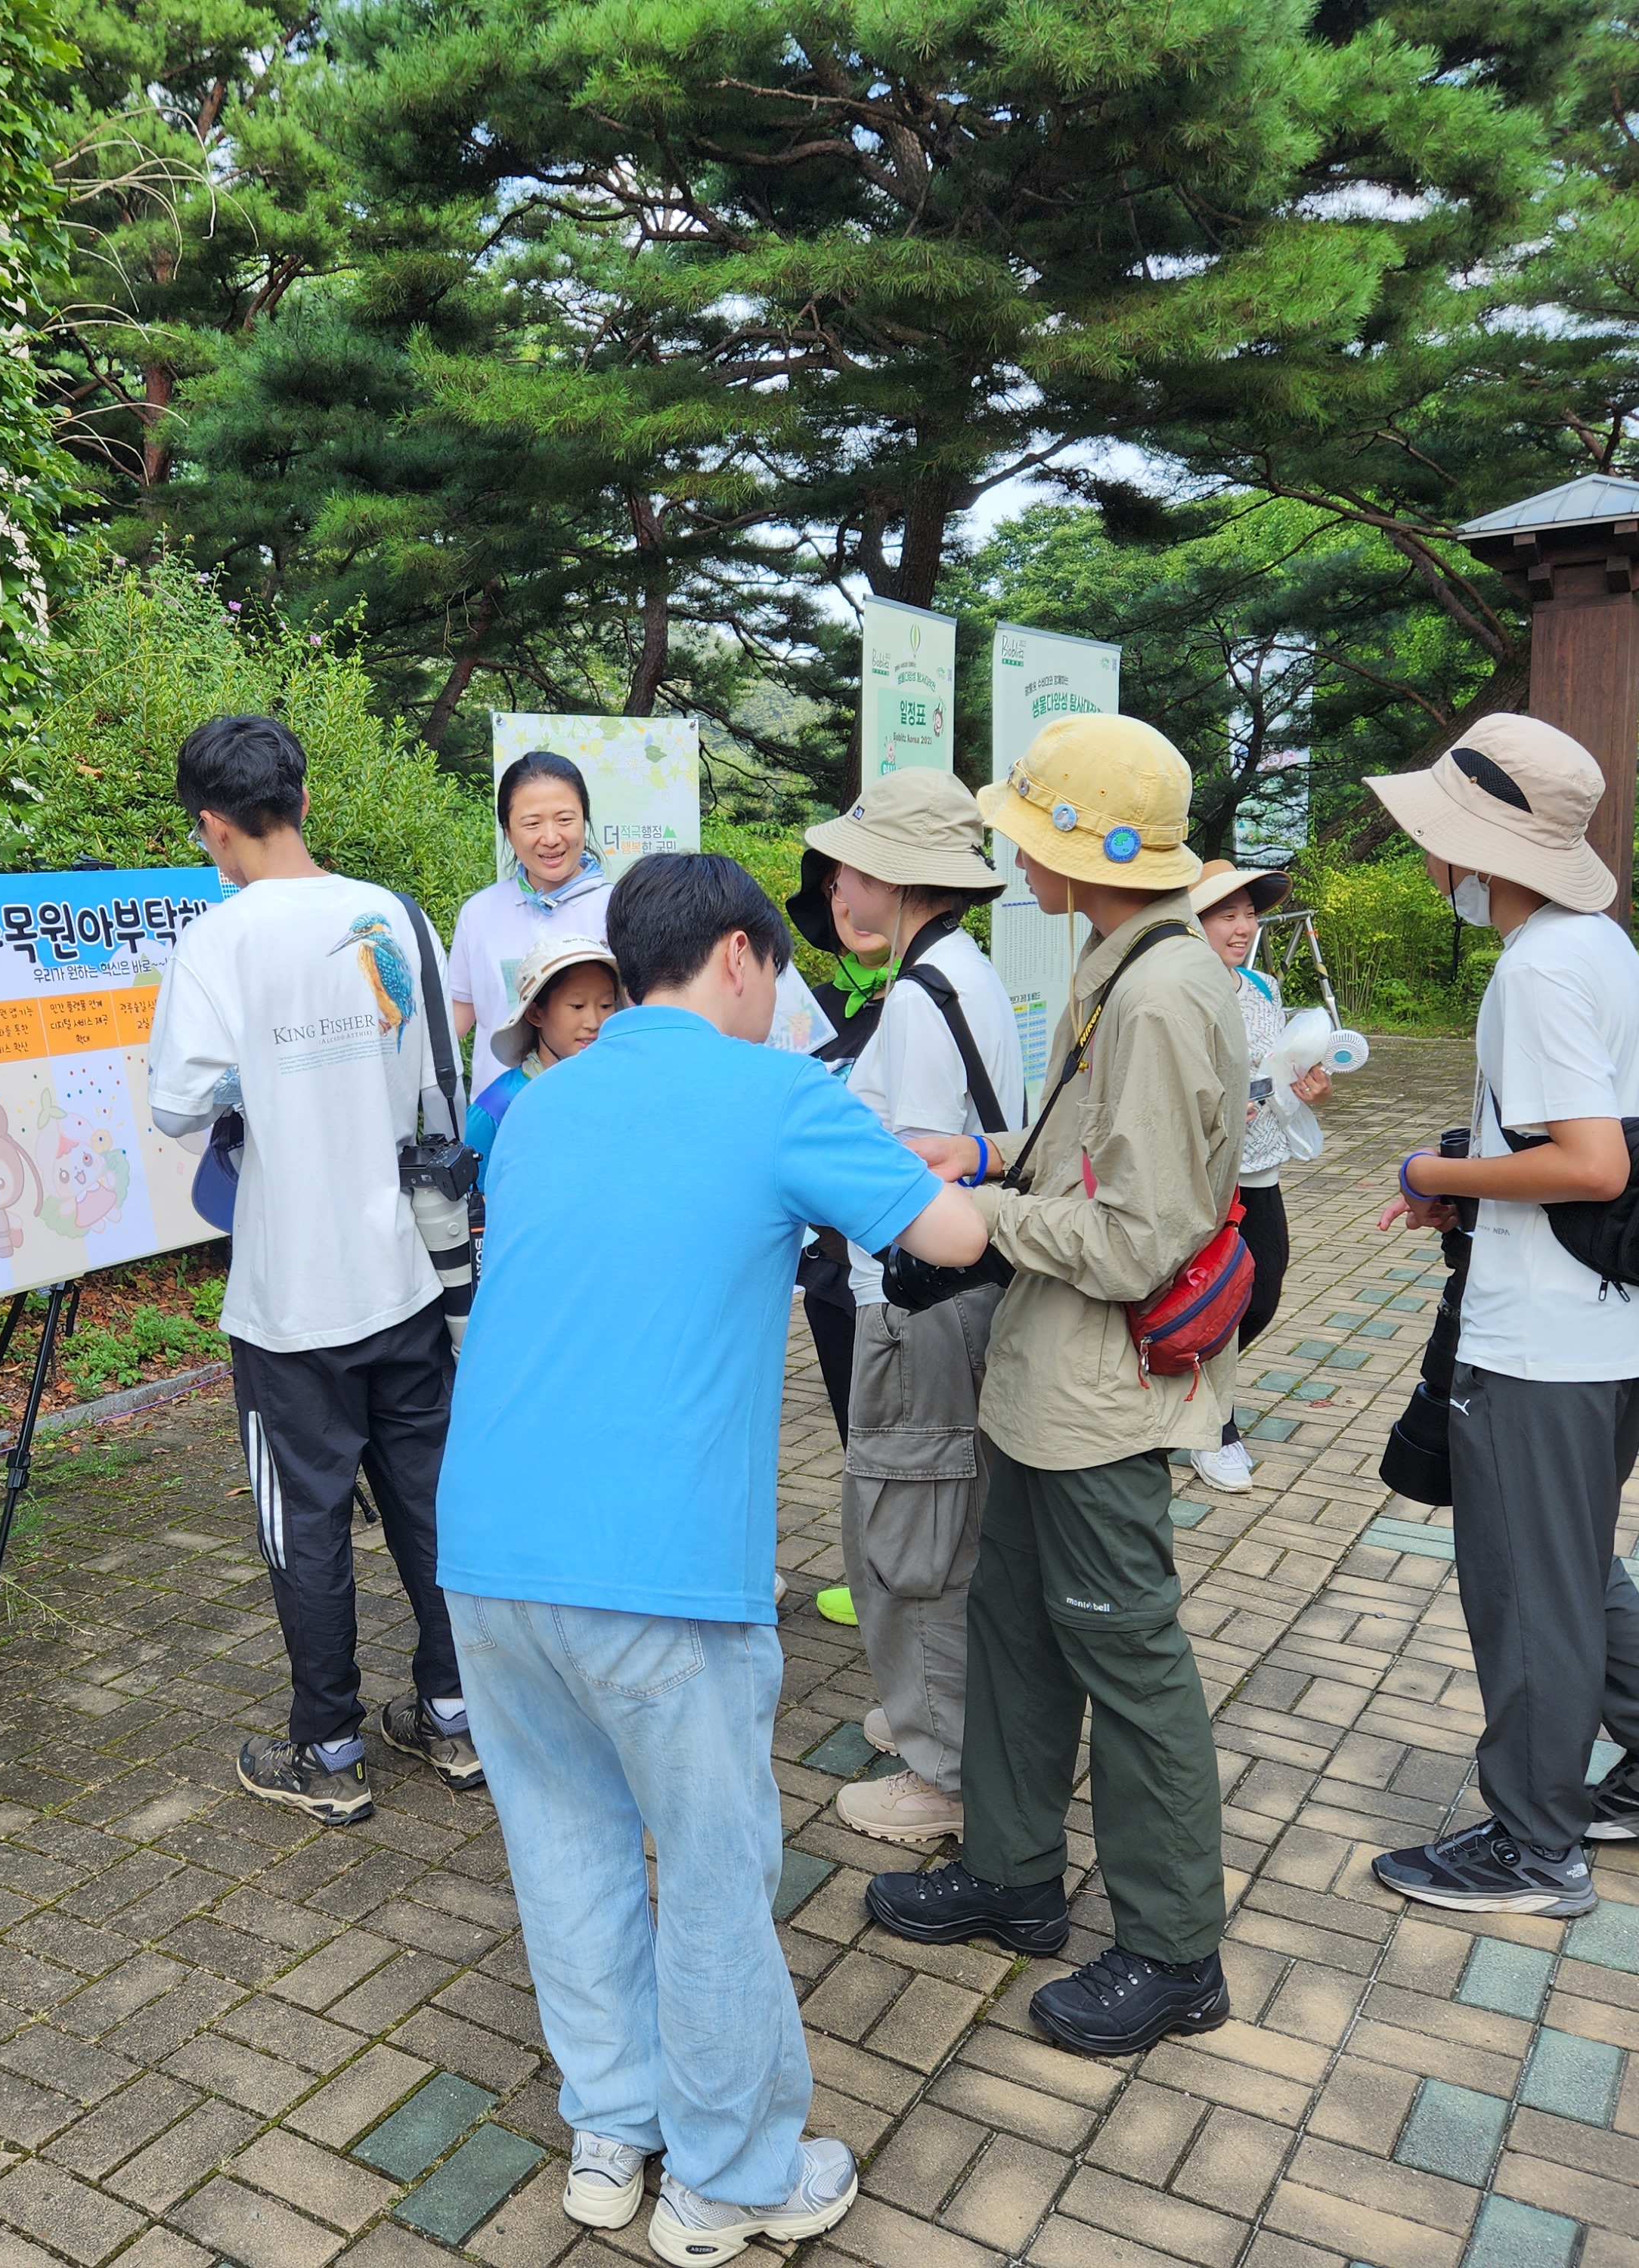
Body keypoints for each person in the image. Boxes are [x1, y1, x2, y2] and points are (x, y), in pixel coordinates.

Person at [435, 854, 990, 2260]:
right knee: (714, 1862)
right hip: (659, 1568)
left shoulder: (543, 1109)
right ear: (741, 955)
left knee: (563, 1850)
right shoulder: (780, 1090)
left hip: (488, 1551)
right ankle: (731, 2180)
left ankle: (611, 2136)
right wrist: (962, 1158)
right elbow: (954, 1234)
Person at [864, 713, 1249, 2061]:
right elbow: (1077, 1165)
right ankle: (1018, 1877)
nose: (1014, 858)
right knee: (1020, 1633)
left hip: (1095, 1398)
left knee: (1130, 1662)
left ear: (1089, 853)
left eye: (1032, 836)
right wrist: (978, 1154)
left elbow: (1137, 1237)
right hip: (1042, 1386)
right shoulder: (1120, 957)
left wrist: (974, 1217)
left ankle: (1172, 1949)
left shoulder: (1159, 992)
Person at [1365, 716, 1639, 1916]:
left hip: (1538, 1339)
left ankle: (1536, 1846)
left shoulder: (1534, 971)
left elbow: (1589, 1165)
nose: (1429, 855)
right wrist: (1467, 1164)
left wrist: (1433, 1178)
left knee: (1526, 1586)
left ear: (1481, 849)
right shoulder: (1600, 947)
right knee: (1571, 1562)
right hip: (1613, 1326)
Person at [148, 714, 482, 1827]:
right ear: (298, 798)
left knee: (309, 1520)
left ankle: (329, 1750)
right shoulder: (394, 916)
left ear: (213, 825)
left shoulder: (223, 938)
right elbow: (441, 1086)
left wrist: (263, 1091)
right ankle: (454, 1715)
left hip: (292, 1298)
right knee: (428, 1501)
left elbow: (178, 1101)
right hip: (404, 1272)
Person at [797, 773, 1021, 1853]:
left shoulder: (926, 1004)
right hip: (955, 1310)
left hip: (922, 1309)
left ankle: (941, 1776)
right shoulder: (952, 976)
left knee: (914, 1530)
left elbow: (916, 1191)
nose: (839, 882)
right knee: (925, 1518)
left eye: (849, 862)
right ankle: (930, 1719)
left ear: (894, 876)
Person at [1185, 860, 1332, 1494]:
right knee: (1210, 1297)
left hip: (1260, 1164)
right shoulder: (1182, 990)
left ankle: (1185, 1398)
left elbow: (1278, 1075)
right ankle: (1212, 1428)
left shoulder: (1262, 987)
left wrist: (1308, 1088)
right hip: (1205, 1170)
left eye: (1248, 913)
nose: (1242, 927)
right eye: (1227, 914)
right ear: (1194, 921)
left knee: (1261, 1291)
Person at [784, 851, 902, 1447]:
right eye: (835, 890)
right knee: (859, 1441)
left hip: (910, 1267)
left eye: (867, 882)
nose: (850, 904)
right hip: (830, 1270)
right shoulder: (807, 1012)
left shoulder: (932, 1000)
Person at [448, 751, 614, 1074]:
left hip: (596, 1107)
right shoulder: (479, 913)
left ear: (585, 819)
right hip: (501, 1112)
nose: (551, 838)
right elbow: (458, 1015)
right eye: (532, 824)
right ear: (508, 832)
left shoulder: (620, 908)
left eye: (565, 820)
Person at [461, 936, 620, 1182]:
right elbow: (475, 1203)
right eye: (577, 1006)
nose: (594, 1022)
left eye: (606, 1005)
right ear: (536, 1014)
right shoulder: (498, 1107)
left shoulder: (621, 1090)